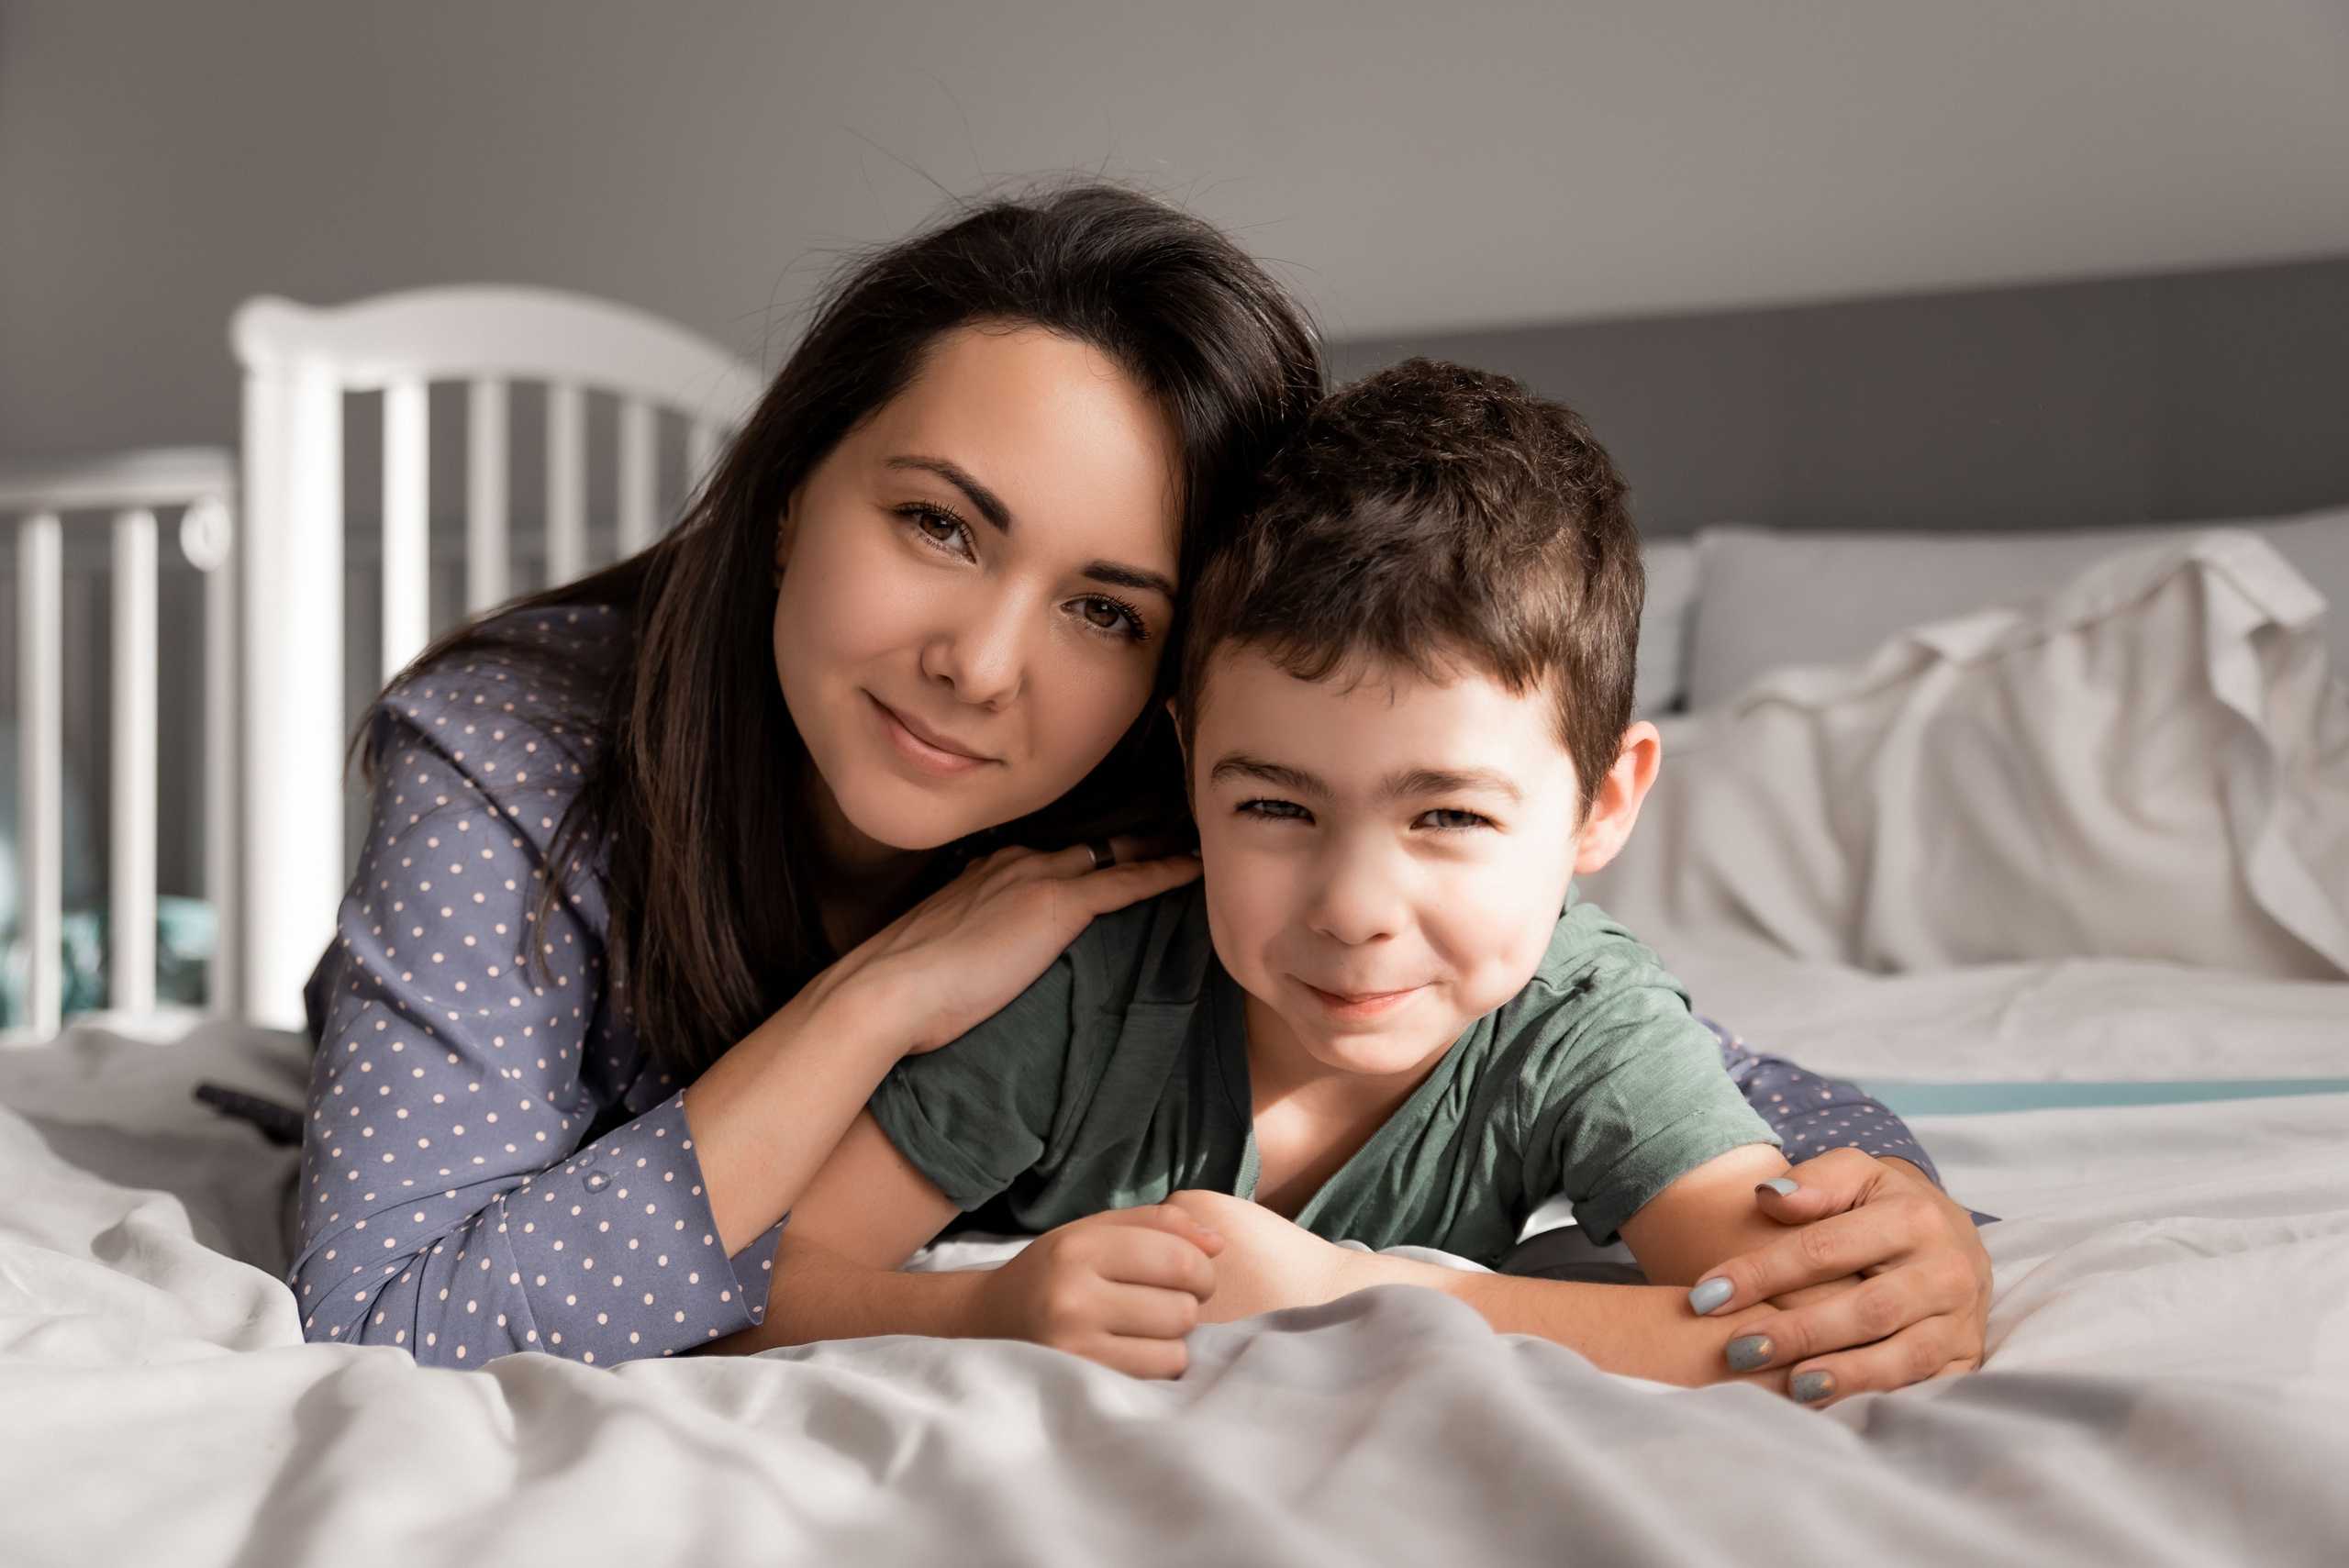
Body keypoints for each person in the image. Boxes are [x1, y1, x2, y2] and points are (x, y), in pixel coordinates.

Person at [291, 183, 1987, 1372]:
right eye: (939, 524)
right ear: (793, 484)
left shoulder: (1203, 797)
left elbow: (1630, 1039)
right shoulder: (519, 747)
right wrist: (881, 997)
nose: (985, 662)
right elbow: (389, 1313)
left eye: (1107, 605)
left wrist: (1894, 1218)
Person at [725, 360, 1984, 1403]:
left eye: (1447, 814)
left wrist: (1365, 1299)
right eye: (1275, 805)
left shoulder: (1576, 1026)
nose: (1352, 906)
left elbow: (1812, 1324)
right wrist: (985, 1310)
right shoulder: (1085, 988)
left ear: (1602, 801)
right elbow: (754, 1283)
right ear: (1189, 762)